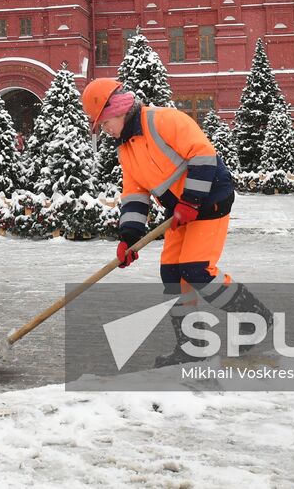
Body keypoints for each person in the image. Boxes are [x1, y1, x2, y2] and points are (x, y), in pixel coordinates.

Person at [81, 77, 266, 367]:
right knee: (172, 274)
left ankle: (254, 316)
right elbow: (135, 195)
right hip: (180, 210)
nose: (104, 130)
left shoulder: (163, 120)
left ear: (116, 110)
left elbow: (203, 155)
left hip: (210, 199)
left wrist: (191, 200)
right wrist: (129, 238)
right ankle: (193, 346)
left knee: (197, 270)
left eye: (103, 123)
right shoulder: (126, 148)